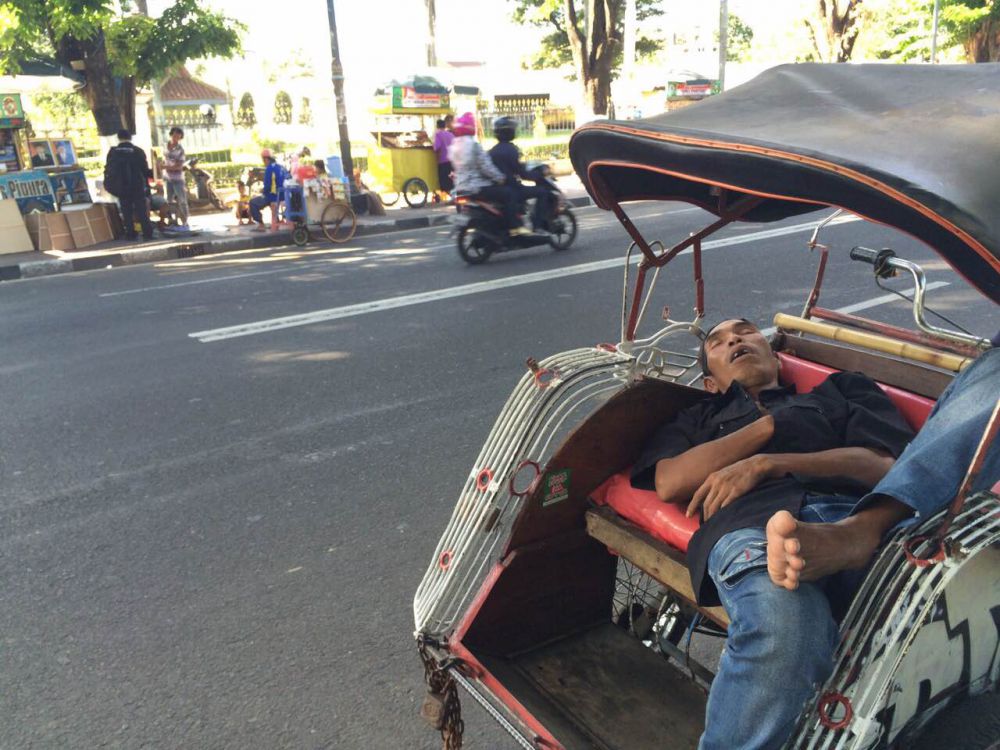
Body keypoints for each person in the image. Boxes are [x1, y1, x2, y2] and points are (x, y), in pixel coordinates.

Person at [630, 318, 999, 749]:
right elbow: (670, 482)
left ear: (775, 357)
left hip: (860, 519)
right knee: (786, 624)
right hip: (753, 530)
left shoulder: (842, 390)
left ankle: (850, 538)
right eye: (718, 341)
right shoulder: (698, 417)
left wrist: (772, 461)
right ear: (711, 383)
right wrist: (765, 428)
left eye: (746, 331)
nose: (734, 339)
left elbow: (888, 467)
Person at [448, 112, 527, 237]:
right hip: (477, 186)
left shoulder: (455, 147)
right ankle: (515, 227)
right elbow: (486, 167)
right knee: (509, 193)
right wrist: (500, 178)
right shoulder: (473, 146)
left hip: (461, 187)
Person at [488, 116, 554, 232]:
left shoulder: (492, 151)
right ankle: (538, 226)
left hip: (500, 188)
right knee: (542, 192)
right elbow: (521, 173)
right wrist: (537, 175)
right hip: (513, 188)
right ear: (509, 132)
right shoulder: (511, 150)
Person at [103, 129, 154, 241]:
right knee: (141, 209)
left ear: (118, 138)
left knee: (126, 209)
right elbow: (145, 170)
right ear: (130, 138)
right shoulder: (138, 151)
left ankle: (130, 233)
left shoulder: (113, 152)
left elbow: (109, 169)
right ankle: (147, 232)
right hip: (137, 185)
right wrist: (155, 172)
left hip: (121, 186)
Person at [249, 148, 285, 231]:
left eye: (263, 159)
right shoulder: (280, 167)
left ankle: (261, 224)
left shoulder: (269, 169)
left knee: (253, 202)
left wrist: (263, 191)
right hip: (283, 194)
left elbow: (268, 186)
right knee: (268, 198)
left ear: (265, 159)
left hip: (273, 196)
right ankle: (276, 221)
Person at [162, 127, 189, 230]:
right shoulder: (165, 146)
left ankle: (185, 220)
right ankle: (170, 220)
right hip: (167, 177)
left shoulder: (180, 150)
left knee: (182, 200)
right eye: (174, 135)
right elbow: (163, 159)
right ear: (171, 135)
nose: (176, 138)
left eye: (178, 136)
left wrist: (166, 167)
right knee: (167, 200)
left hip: (178, 178)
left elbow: (179, 166)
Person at [433, 118, 454, 202]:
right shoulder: (450, 134)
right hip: (452, 160)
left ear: (437, 126)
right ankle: (454, 197)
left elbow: (436, 147)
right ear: (445, 126)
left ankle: (453, 197)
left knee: (444, 182)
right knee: (451, 180)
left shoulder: (438, 135)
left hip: (443, 161)